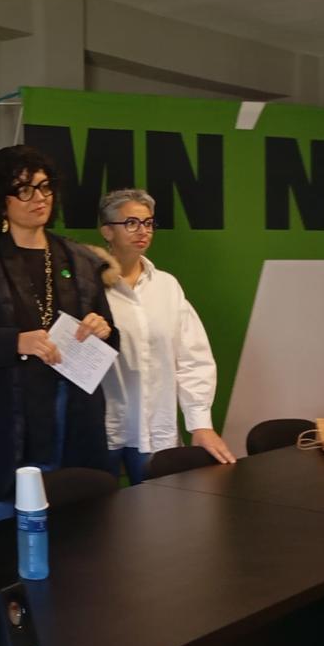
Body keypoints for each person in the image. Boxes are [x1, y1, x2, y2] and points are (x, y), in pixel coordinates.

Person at [0, 145, 119, 526]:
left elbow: (110, 341)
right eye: (25, 190)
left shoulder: (79, 260)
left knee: (78, 558)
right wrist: (14, 342)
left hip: (71, 429)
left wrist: (104, 330)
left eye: (45, 188)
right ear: (1, 201)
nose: (39, 199)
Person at [98, 189, 235, 483]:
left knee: (160, 516)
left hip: (154, 428)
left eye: (148, 223)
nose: (142, 231)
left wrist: (200, 423)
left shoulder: (166, 286)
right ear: (107, 231)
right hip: (100, 431)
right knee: (97, 520)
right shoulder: (88, 285)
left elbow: (193, 358)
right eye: (131, 223)